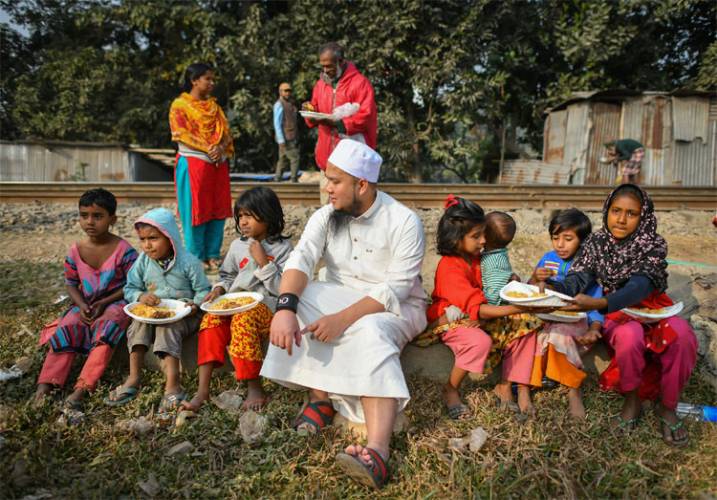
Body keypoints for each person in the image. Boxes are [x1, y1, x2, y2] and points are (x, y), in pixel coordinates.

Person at [261, 139, 426, 489]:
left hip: (393, 306)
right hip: (338, 295)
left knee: (370, 332)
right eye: (326, 178)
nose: (327, 188)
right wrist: (285, 307)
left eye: (335, 181)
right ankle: (321, 399)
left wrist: (342, 319)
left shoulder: (404, 221)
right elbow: (302, 258)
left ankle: (378, 450)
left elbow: (394, 289)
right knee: (299, 298)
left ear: (361, 185)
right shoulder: (326, 215)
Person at [553, 184, 697, 446]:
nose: (621, 219)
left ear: (643, 217)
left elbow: (640, 285)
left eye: (631, 213)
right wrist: (556, 288)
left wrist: (601, 301)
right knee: (629, 337)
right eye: (616, 210)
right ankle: (632, 398)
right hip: (617, 314)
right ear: (607, 210)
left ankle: (668, 405)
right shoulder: (597, 242)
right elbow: (579, 278)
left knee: (683, 335)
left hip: (651, 305)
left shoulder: (653, 243)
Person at [426, 196, 551, 419]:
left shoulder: (474, 258)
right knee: (479, 341)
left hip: (479, 315)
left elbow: (491, 290)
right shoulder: (450, 268)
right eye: (476, 236)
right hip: (453, 319)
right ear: (456, 239)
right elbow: (479, 310)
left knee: (527, 325)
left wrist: (512, 281)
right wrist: (518, 308)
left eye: (483, 233)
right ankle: (451, 389)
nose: (484, 240)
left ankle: (508, 385)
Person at [181, 187, 293, 413]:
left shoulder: (283, 249)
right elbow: (227, 275)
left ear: (268, 215)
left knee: (243, 320)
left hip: (266, 307)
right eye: (240, 216)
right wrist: (219, 289)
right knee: (211, 321)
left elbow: (284, 288)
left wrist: (264, 264)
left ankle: (254, 386)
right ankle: (203, 389)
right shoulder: (237, 246)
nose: (243, 222)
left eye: (249, 215)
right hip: (234, 302)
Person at [34, 189, 138, 410]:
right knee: (67, 327)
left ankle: (81, 389)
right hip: (85, 303)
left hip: (116, 302)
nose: (90, 222)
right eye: (84, 215)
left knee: (106, 330)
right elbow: (71, 283)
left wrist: (103, 302)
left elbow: (133, 284)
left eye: (98, 216)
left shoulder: (125, 251)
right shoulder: (75, 250)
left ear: (113, 219)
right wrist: (81, 305)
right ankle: (45, 386)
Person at [105, 208, 211, 414]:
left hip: (185, 315)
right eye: (143, 239)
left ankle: (173, 384)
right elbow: (130, 287)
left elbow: (203, 290)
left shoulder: (189, 262)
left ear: (170, 238)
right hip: (153, 312)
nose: (147, 245)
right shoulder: (143, 262)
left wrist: (194, 305)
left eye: (153, 238)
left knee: (166, 328)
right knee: (137, 325)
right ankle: (134, 377)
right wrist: (140, 297)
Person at [527, 208, 604, 419]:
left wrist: (595, 328)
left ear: (583, 241)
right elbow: (530, 289)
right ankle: (530, 382)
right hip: (547, 317)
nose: (560, 244)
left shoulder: (586, 266)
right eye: (555, 238)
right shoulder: (548, 258)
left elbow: (596, 301)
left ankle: (573, 388)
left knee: (558, 335)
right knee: (533, 334)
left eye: (568, 238)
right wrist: (535, 278)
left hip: (575, 322)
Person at [169, 62, 234, 271]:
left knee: (217, 209)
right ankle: (196, 256)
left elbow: (226, 134)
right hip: (193, 163)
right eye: (208, 78)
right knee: (195, 210)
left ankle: (213, 254)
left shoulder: (215, 107)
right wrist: (208, 148)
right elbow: (181, 134)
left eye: (213, 79)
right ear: (194, 80)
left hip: (217, 164)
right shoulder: (180, 105)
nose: (212, 83)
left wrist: (220, 148)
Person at [302, 42, 377, 204]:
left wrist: (341, 123)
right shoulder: (320, 84)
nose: (325, 70)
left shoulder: (360, 83)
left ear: (341, 62)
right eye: (322, 66)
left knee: (350, 212)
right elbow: (314, 107)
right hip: (327, 159)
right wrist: (309, 109)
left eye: (329, 66)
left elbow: (367, 114)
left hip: (351, 162)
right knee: (328, 210)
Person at [480, 211, 518, 305]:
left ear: (485, 237)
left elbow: (494, 292)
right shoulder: (494, 255)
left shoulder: (494, 262)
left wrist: (485, 309)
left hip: (495, 310)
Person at [273, 82, 300, 182]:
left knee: (283, 158)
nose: (288, 93)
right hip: (285, 137)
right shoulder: (279, 105)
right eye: (285, 91)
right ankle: (294, 178)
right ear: (280, 92)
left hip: (290, 135)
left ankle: (278, 177)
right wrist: (281, 140)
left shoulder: (290, 103)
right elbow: (277, 123)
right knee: (295, 158)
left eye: (289, 91)